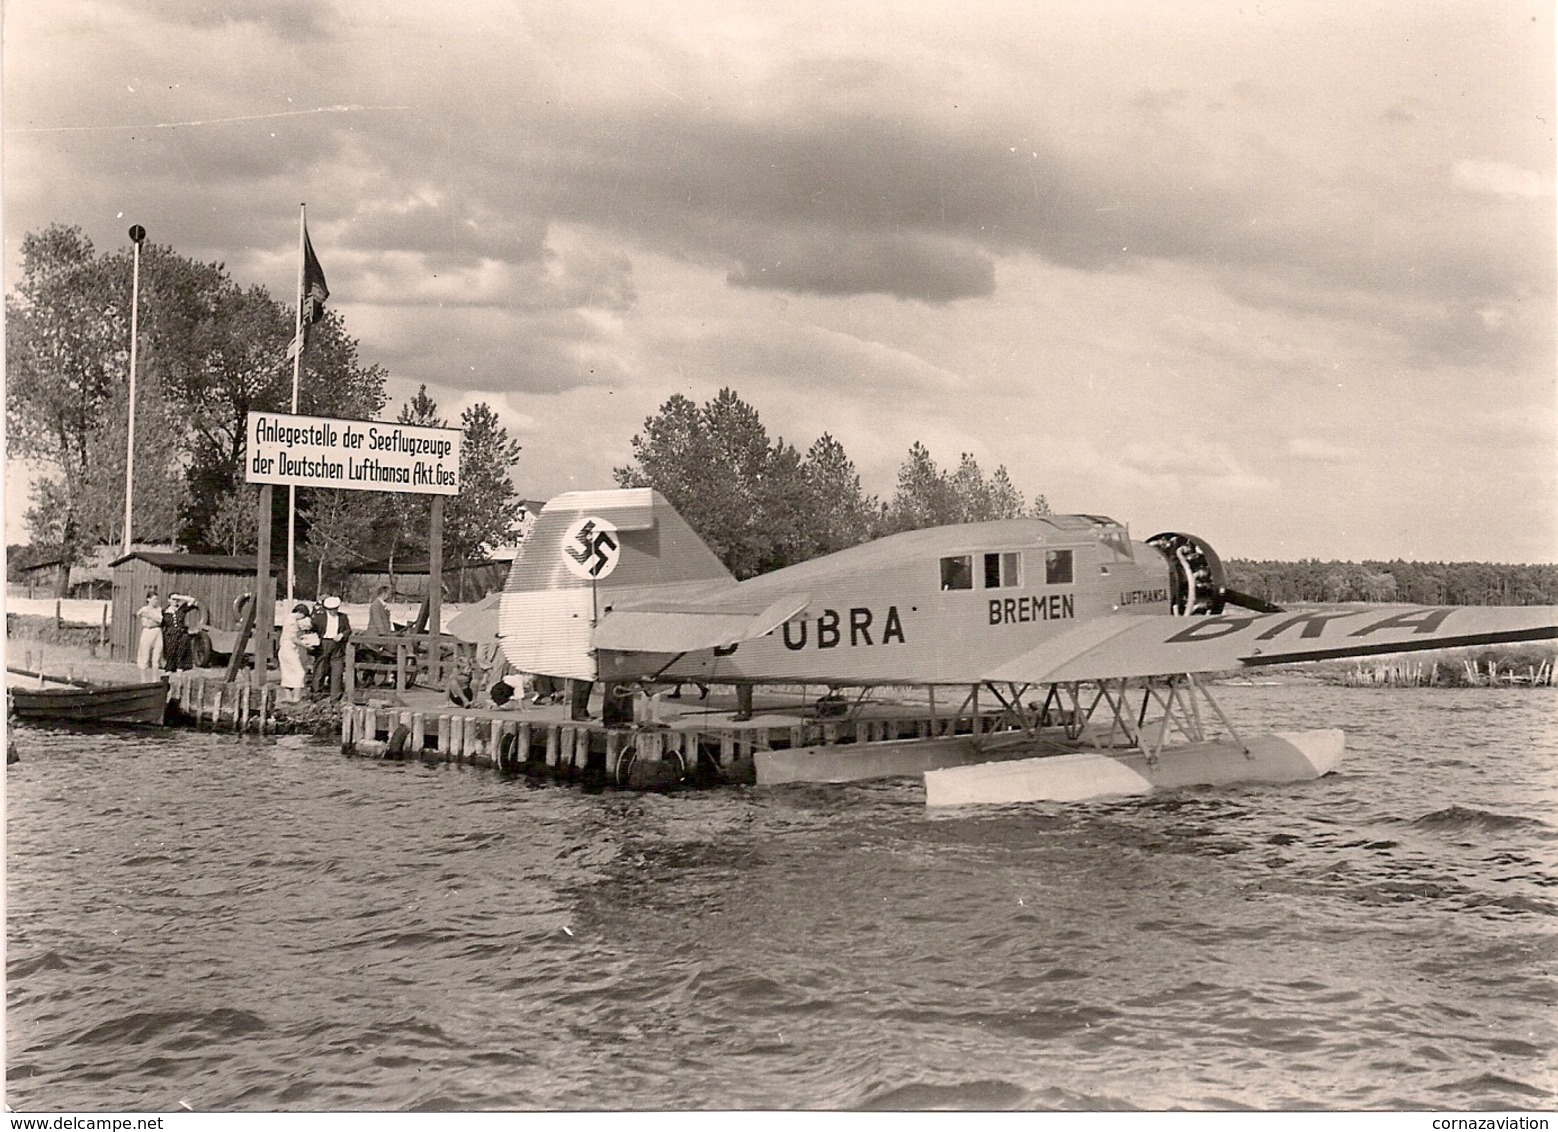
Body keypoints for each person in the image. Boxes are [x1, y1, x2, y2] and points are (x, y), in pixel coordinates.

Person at [310, 595, 352, 700]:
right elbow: (312, 629)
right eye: (331, 609)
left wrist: (342, 635)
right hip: (323, 643)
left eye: (335, 609)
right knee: (320, 668)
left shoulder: (342, 617)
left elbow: (348, 630)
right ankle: (316, 693)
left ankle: (335, 695)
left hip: (337, 644)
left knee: (337, 670)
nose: (333, 611)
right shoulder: (320, 618)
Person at [278, 603, 315, 703]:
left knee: (287, 673)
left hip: (285, 649)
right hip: (289, 649)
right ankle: (296, 697)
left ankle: (289, 697)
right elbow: (293, 638)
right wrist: (306, 645)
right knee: (299, 672)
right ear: (300, 613)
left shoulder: (288, 618)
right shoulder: (292, 621)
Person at [135, 590, 164, 677]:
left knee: (156, 657)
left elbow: (160, 620)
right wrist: (148, 618)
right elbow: (138, 614)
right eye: (154, 599)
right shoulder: (144, 609)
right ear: (148, 599)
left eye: (157, 599)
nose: (156, 601)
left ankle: (154, 680)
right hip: (147, 631)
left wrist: (150, 616)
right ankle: (143, 681)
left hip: (157, 631)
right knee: (145, 656)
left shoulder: (159, 609)